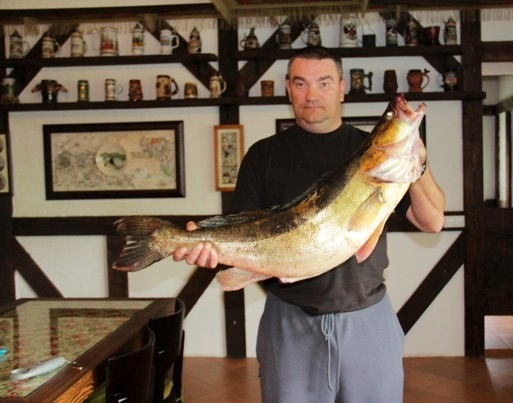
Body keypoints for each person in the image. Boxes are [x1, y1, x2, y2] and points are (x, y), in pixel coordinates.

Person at [173, 46, 446, 402]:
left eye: (324, 82)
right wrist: (209, 249)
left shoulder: (372, 155)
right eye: (301, 83)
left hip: (368, 317)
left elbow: (432, 221)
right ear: (289, 89)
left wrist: (417, 163)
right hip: (289, 320)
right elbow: (242, 230)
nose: (311, 94)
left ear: (342, 88)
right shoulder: (263, 155)